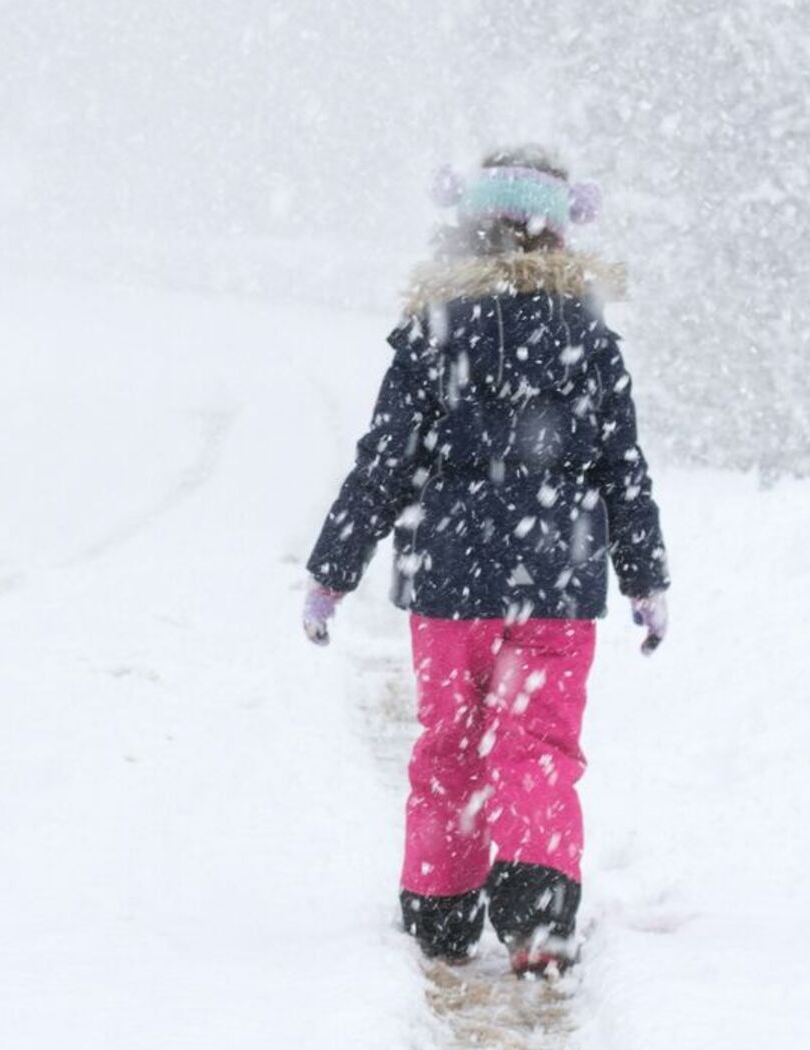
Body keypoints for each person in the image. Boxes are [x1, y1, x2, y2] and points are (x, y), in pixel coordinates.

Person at [300, 145, 670, 976]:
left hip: (450, 583)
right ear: (561, 236)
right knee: (537, 744)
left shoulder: (435, 333)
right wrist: (647, 578)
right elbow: (624, 470)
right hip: (556, 581)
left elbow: (385, 464)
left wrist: (334, 569)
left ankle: (440, 912)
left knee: (451, 745)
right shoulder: (591, 341)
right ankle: (539, 917)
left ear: (464, 228)